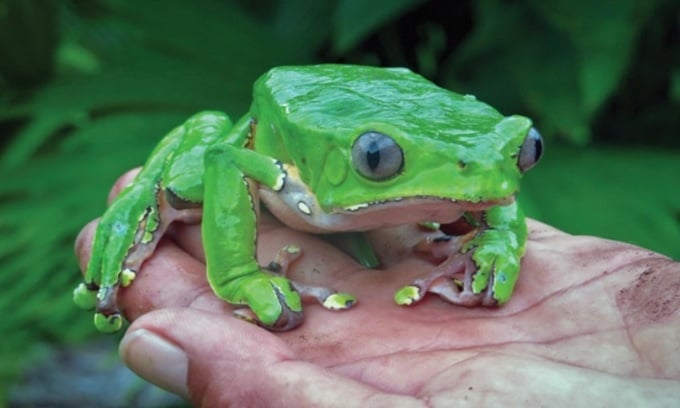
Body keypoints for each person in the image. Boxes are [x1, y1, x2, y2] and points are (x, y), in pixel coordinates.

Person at [75, 169, 680, 407]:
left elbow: (495, 184)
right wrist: (238, 273)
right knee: (176, 170)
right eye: (379, 156)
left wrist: (495, 239)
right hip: (283, 151)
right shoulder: (266, 161)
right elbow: (229, 156)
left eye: (525, 150)